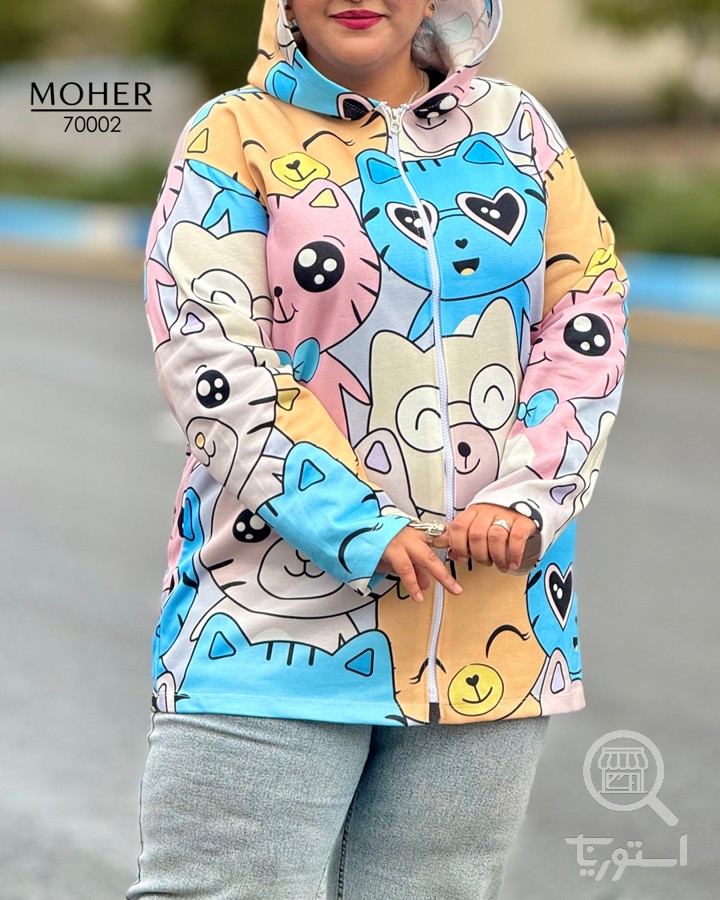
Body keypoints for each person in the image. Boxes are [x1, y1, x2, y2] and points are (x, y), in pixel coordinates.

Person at [129, 0, 629, 897]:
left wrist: (525, 496)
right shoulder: (231, 136)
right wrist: (359, 524)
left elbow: (587, 316)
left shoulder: (520, 130)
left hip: (493, 633)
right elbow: (212, 355)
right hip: (269, 631)